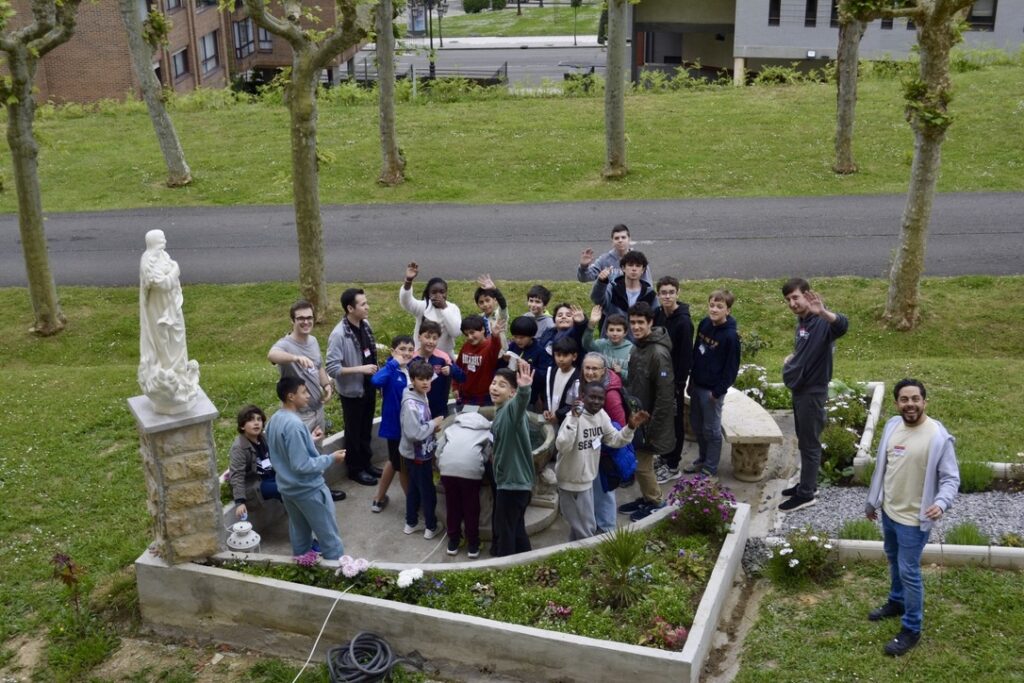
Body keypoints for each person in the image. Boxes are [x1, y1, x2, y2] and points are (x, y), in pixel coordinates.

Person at [864, 379, 960, 657]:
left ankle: (912, 628)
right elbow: (884, 468)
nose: (910, 404)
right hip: (889, 512)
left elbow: (951, 478)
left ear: (925, 402)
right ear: (896, 403)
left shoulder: (938, 436)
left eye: (915, 399)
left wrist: (941, 503)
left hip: (914, 522)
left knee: (909, 571)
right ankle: (896, 601)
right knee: (893, 559)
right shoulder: (892, 426)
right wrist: (873, 503)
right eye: (904, 399)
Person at [779, 278, 849, 512]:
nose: (791, 303)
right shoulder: (803, 323)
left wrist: (825, 313)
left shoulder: (821, 321)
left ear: (808, 295)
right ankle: (806, 484)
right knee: (804, 438)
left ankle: (806, 494)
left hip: (812, 392)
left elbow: (842, 325)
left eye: (795, 297)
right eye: (788, 299)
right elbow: (805, 350)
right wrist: (792, 358)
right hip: (800, 390)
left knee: (810, 443)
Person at [265, 377, 347, 566]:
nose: (308, 395)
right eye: (304, 392)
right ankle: (337, 575)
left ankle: (303, 568)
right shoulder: (294, 425)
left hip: (288, 490)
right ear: (291, 396)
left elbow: (283, 452)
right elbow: (301, 465)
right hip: (308, 490)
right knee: (329, 538)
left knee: (300, 534)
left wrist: (308, 439)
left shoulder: (275, 420)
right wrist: (331, 458)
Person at [554, 383, 648, 541]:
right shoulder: (573, 417)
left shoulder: (601, 416)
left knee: (580, 528)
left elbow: (615, 440)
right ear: (582, 396)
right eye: (592, 397)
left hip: (587, 481)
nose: (596, 401)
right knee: (587, 529)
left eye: (600, 398)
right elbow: (562, 445)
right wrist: (574, 420)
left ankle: (576, 559)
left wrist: (630, 427)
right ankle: (588, 561)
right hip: (571, 483)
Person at [618, 302, 675, 522]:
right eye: (633, 322)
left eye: (641, 322)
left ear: (651, 323)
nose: (636, 327)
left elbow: (665, 395)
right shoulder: (637, 347)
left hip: (650, 422)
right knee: (639, 464)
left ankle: (657, 502)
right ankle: (647, 498)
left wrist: (653, 426)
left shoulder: (658, 353)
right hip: (637, 417)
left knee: (642, 466)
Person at [325, 289, 380, 488]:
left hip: (368, 386)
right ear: (350, 308)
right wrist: (361, 369)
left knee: (366, 428)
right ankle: (355, 469)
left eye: (366, 303)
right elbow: (332, 367)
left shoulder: (365, 325)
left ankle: (367, 463)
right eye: (363, 304)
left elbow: (371, 355)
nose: (367, 307)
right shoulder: (339, 334)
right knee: (354, 431)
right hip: (352, 391)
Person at [685, 289, 740, 478]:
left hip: (712, 391)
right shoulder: (704, 324)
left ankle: (711, 466)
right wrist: (691, 380)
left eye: (719, 306)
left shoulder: (731, 336)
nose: (714, 309)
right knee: (697, 425)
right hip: (697, 385)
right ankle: (702, 459)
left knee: (712, 429)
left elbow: (731, 368)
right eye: (712, 305)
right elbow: (695, 352)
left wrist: (718, 391)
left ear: (728, 310)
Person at [268, 300, 333, 445]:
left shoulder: (313, 341)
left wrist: (326, 385)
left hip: (318, 411)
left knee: (317, 453)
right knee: (301, 457)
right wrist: (295, 358)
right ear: (292, 320)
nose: (306, 322)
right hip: (299, 416)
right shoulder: (285, 344)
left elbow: (319, 366)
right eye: (301, 318)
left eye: (309, 318)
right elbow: (272, 355)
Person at [581, 352, 631, 533]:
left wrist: (601, 444)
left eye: (595, 368)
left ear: (603, 371)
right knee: (597, 490)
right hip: (593, 448)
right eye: (587, 368)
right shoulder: (590, 386)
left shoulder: (609, 395)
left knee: (605, 491)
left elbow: (620, 425)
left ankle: (607, 529)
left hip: (604, 451)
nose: (590, 372)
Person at [489, 363, 535, 556]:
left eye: (502, 385)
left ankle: (505, 568)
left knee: (506, 531)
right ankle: (526, 560)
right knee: (515, 527)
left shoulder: (511, 410)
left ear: (512, 392)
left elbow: (520, 404)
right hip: (510, 481)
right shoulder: (500, 409)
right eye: (493, 383)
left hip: (513, 484)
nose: (494, 387)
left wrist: (524, 389)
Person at [369, 334, 416, 513]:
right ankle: (413, 507)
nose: (407, 353)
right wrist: (393, 363)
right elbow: (375, 381)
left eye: (410, 349)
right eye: (402, 349)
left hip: (410, 425)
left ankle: (379, 497)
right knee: (402, 467)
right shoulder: (391, 369)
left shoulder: (412, 368)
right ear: (392, 351)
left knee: (394, 460)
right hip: (396, 428)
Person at [653, 276, 694, 483]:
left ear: (677, 293)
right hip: (660, 378)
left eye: (671, 292)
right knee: (663, 420)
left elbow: (686, 355)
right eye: (663, 292)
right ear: (658, 294)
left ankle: (672, 465)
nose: (667, 296)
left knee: (675, 423)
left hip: (674, 382)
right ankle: (664, 455)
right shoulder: (659, 314)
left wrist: (678, 383)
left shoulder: (684, 322)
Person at [437, 411, 493, 558]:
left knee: (452, 505)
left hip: (447, 471)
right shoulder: (486, 432)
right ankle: (473, 545)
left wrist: (441, 465)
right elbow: (487, 455)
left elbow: (438, 450)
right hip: (471, 473)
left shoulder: (451, 429)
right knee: (471, 508)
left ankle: (453, 542)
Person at [399, 361, 445, 539]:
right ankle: (430, 526)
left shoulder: (419, 394)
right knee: (427, 491)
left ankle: (411, 523)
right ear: (412, 380)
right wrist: (433, 423)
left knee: (414, 489)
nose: (426, 383)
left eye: (428, 379)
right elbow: (414, 433)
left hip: (417, 452)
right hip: (418, 455)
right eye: (421, 379)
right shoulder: (411, 405)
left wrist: (431, 428)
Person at [228, 404, 281, 520]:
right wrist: (239, 501)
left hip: (271, 477)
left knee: (295, 485)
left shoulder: (264, 438)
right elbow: (237, 475)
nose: (256, 423)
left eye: (259, 419)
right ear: (242, 426)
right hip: (256, 484)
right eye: (251, 420)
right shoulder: (239, 447)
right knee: (286, 488)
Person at [589, 250, 658, 339]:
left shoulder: (650, 294)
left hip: (639, 345)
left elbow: (656, 319)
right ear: (623, 268)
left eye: (638, 266)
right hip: (612, 343)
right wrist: (601, 282)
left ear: (643, 270)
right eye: (630, 265)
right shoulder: (613, 288)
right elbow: (597, 299)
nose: (634, 269)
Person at [400, 262, 462, 358]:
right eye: (434, 292)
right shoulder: (424, 306)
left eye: (442, 292)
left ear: (446, 293)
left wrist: (444, 308)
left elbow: (456, 332)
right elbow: (406, 302)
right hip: (422, 356)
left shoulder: (452, 308)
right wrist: (408, 281)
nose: (438, 295)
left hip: (444, 358)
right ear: (429, 294)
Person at [413, 320, 466, 419]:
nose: (431, 341)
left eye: (434, 338)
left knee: (440, 434)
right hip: (417, 410)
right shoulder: (411, 359)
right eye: (427, 337)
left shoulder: (443, 357)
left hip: (439, 410)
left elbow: (462, 377)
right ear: (419, 337)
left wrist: (451, 370)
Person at [455, 315, 506, 410]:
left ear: (482, 329)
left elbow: (495, 347)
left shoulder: (489, 347)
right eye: (466, 335)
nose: (470, 337)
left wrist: (495, 336)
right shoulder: (466, 346)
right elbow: (458, 368)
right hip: (465, 395)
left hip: (484, 397)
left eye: (472, 333)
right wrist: (455, 387)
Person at [577, 224, 653, 285]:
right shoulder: (604, 260)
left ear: (629, 239)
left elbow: (648, 285)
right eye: (616, 238)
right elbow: (584, 278)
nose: (620, 240)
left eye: (623, 237)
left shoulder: (639, 259)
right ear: (612, 241)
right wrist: (583, 267)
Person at [506, 315, 552, 408]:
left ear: (531, 335)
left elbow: (544, 377)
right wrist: (504, 360)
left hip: (530, 398)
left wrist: (527, 367)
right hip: (510, 393)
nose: (518, 340)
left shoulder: (540, 351)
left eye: (522, 337)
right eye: (515, 337)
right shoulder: (513, 346)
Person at [583, 306, 634, 381]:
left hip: (621, 390)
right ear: (606, 332)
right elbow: (586, 343)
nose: (614, 333)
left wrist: (621, 372)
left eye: (618, 330)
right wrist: (592, 324)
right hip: (599, 388)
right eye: (611, 330)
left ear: (625, 333)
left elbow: (635, 378)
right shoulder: (601, 345)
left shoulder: (632, 349)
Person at [542, 337, 581, 425]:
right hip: (551, 416)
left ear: (574, 357)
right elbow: (547, 393)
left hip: (565, 422)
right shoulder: (551, 372)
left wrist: (558, 415)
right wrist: (545, 408)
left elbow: (573, 403)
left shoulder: (576, 377)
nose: (561, 359)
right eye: (558, 355)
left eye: (565, 355)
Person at [474, 274, 508, 341]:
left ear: (495, 300)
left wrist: (494, 289)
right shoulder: (479, 318)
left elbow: (503, 304)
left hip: (501, 350)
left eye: (487, 300)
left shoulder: (500, 315)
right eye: (481, 302)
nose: (485, 304)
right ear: (478, 305)